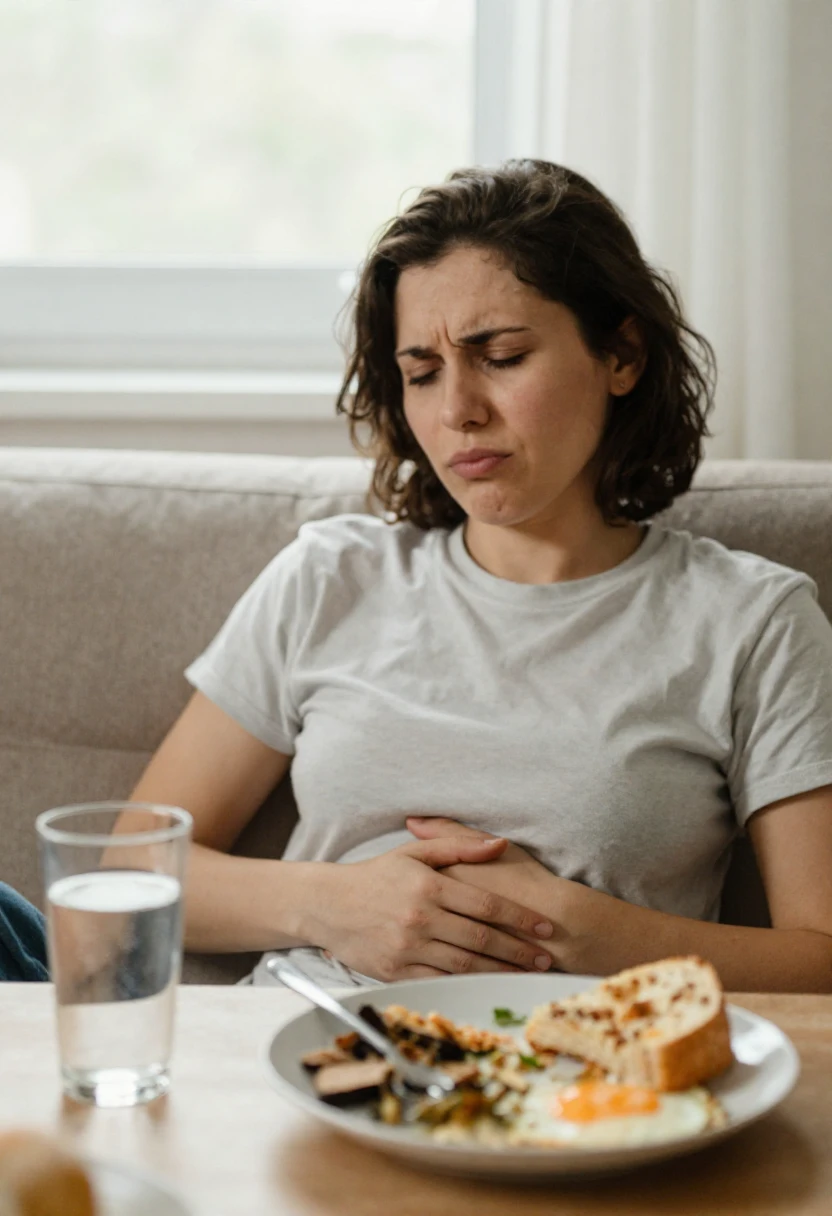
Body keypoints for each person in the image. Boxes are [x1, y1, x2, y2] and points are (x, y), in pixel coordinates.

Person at [109, 160, 832, 992]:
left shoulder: (753, 620)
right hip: (299, 1057)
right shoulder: (329, 578)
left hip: (580, 1088)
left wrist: (572, 931)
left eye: (502, 355)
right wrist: (332, 905)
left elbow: (820, 957)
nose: (457, 411)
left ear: (622, 355)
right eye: (421, 372)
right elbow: (130, 870)